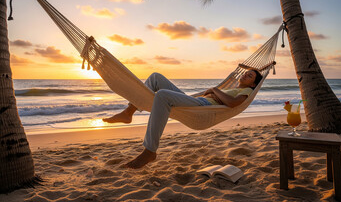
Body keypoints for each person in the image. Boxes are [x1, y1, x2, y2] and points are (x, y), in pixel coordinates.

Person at [103, 69, 263, 169]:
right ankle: (128, 112)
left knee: (162, 96)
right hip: (195, 101)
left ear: (253, 84)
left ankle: (149, 151)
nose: (245, 74)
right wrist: (214, 92)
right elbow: (217, 96)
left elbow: (233, 103)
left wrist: (214, 90)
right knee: (155, 78)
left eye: (250, 75)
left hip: (202, 107)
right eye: (245, 72)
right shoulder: (232, 88)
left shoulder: (246, 92)